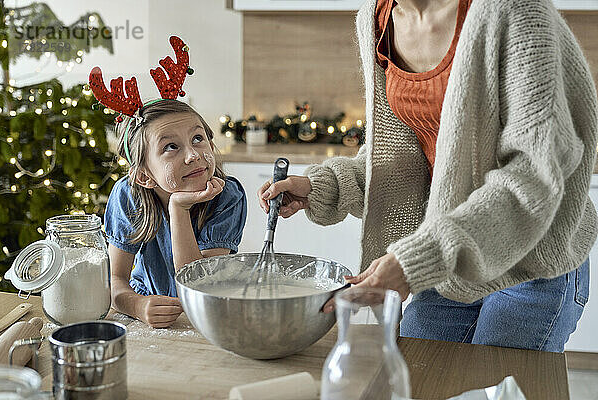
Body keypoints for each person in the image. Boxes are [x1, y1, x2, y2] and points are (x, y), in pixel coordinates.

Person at [258, 0, 597, 352]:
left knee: (499, 385)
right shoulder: (379, 19)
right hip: (448, 258)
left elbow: (535, 176)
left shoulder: (515, 10)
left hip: (529, 256)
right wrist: (324, 186)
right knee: (419, 375)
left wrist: (414, 262)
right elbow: (401, 160)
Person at [105, 99, 247, 328]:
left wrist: (178, 208)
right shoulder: (128, 194)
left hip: (209, 315)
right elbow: (114, 279)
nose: (193, 155)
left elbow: (199, 286)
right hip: (146, 310)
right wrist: (138, 305)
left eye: (198, 139)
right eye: (171, 146)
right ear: (144, 176)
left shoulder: (228, 195)